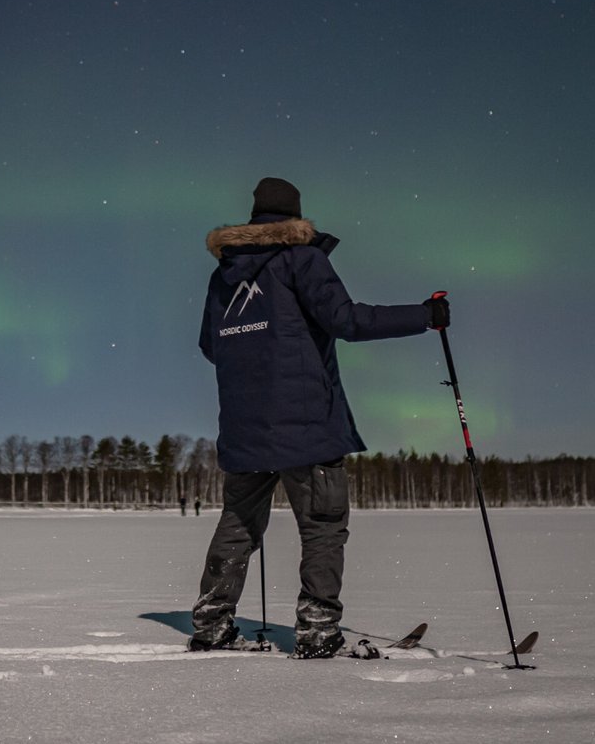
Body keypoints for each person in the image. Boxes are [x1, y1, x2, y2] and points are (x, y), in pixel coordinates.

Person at [188, 177, 448, 659]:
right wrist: (424, 316)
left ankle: (211, 622)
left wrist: (255, 352)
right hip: (306, 425)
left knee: (239, 524)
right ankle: (318, 627)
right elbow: (347, 321)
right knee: (324, 524)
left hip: (245, 430)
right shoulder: (303, 259)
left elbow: (211, 346)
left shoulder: (225, 273)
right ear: (295, 216)